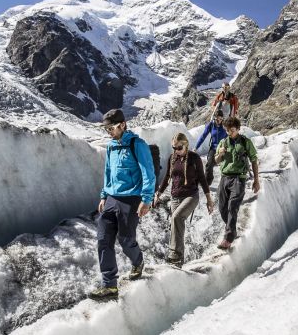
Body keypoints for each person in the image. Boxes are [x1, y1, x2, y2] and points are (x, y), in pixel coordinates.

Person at [90, 108, 156, 300]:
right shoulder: (111, 146)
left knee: (126, 240)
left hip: (131, 199)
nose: (108, 132)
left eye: (111, 128)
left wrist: (146, 199)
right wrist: (104, 196)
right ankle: (109, 285)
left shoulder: (137, 145)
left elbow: (148, 173)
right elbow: (108, 173)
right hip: (112, 198)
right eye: (106, 129)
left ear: (123, 125)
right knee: (103, 239)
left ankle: (138, 261)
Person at [153, 133, 214, 266]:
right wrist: (158, 193)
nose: (176, 150)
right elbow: (167, 178)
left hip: (191, 196)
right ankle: (179, 261)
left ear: (185, 145)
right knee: (176, 227)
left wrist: (209, 199)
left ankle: (174, 253)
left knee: (176, 218)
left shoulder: (194, 158)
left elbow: (203, 179)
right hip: (175, 196)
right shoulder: (172, 158)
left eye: (179, 148)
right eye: (173, 148)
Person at [214, 116, 260, 249]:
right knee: (222, 208)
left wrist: (256, 180)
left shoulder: (246, 142)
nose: (230, 133)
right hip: (224, 178)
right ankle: (232, 230)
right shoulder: (223, 142)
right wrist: (220, 154)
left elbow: (254, 160)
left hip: (239, 178)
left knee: (232, 206)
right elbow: (216, 161)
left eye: (232, 130)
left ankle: (228, 238)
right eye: (227, 130)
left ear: (238, 129)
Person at [194, 110, 228, 186]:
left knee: (227, 166)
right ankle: (207, 182)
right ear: (214, 118)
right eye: (217, 119)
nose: (219, 121)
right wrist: (196, 147)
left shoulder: (225, 126)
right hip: (213, 148)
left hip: (223, 148)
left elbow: (230, 136)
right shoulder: (211, 125)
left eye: (221, 119)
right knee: (209, 165)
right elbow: (203, 136)